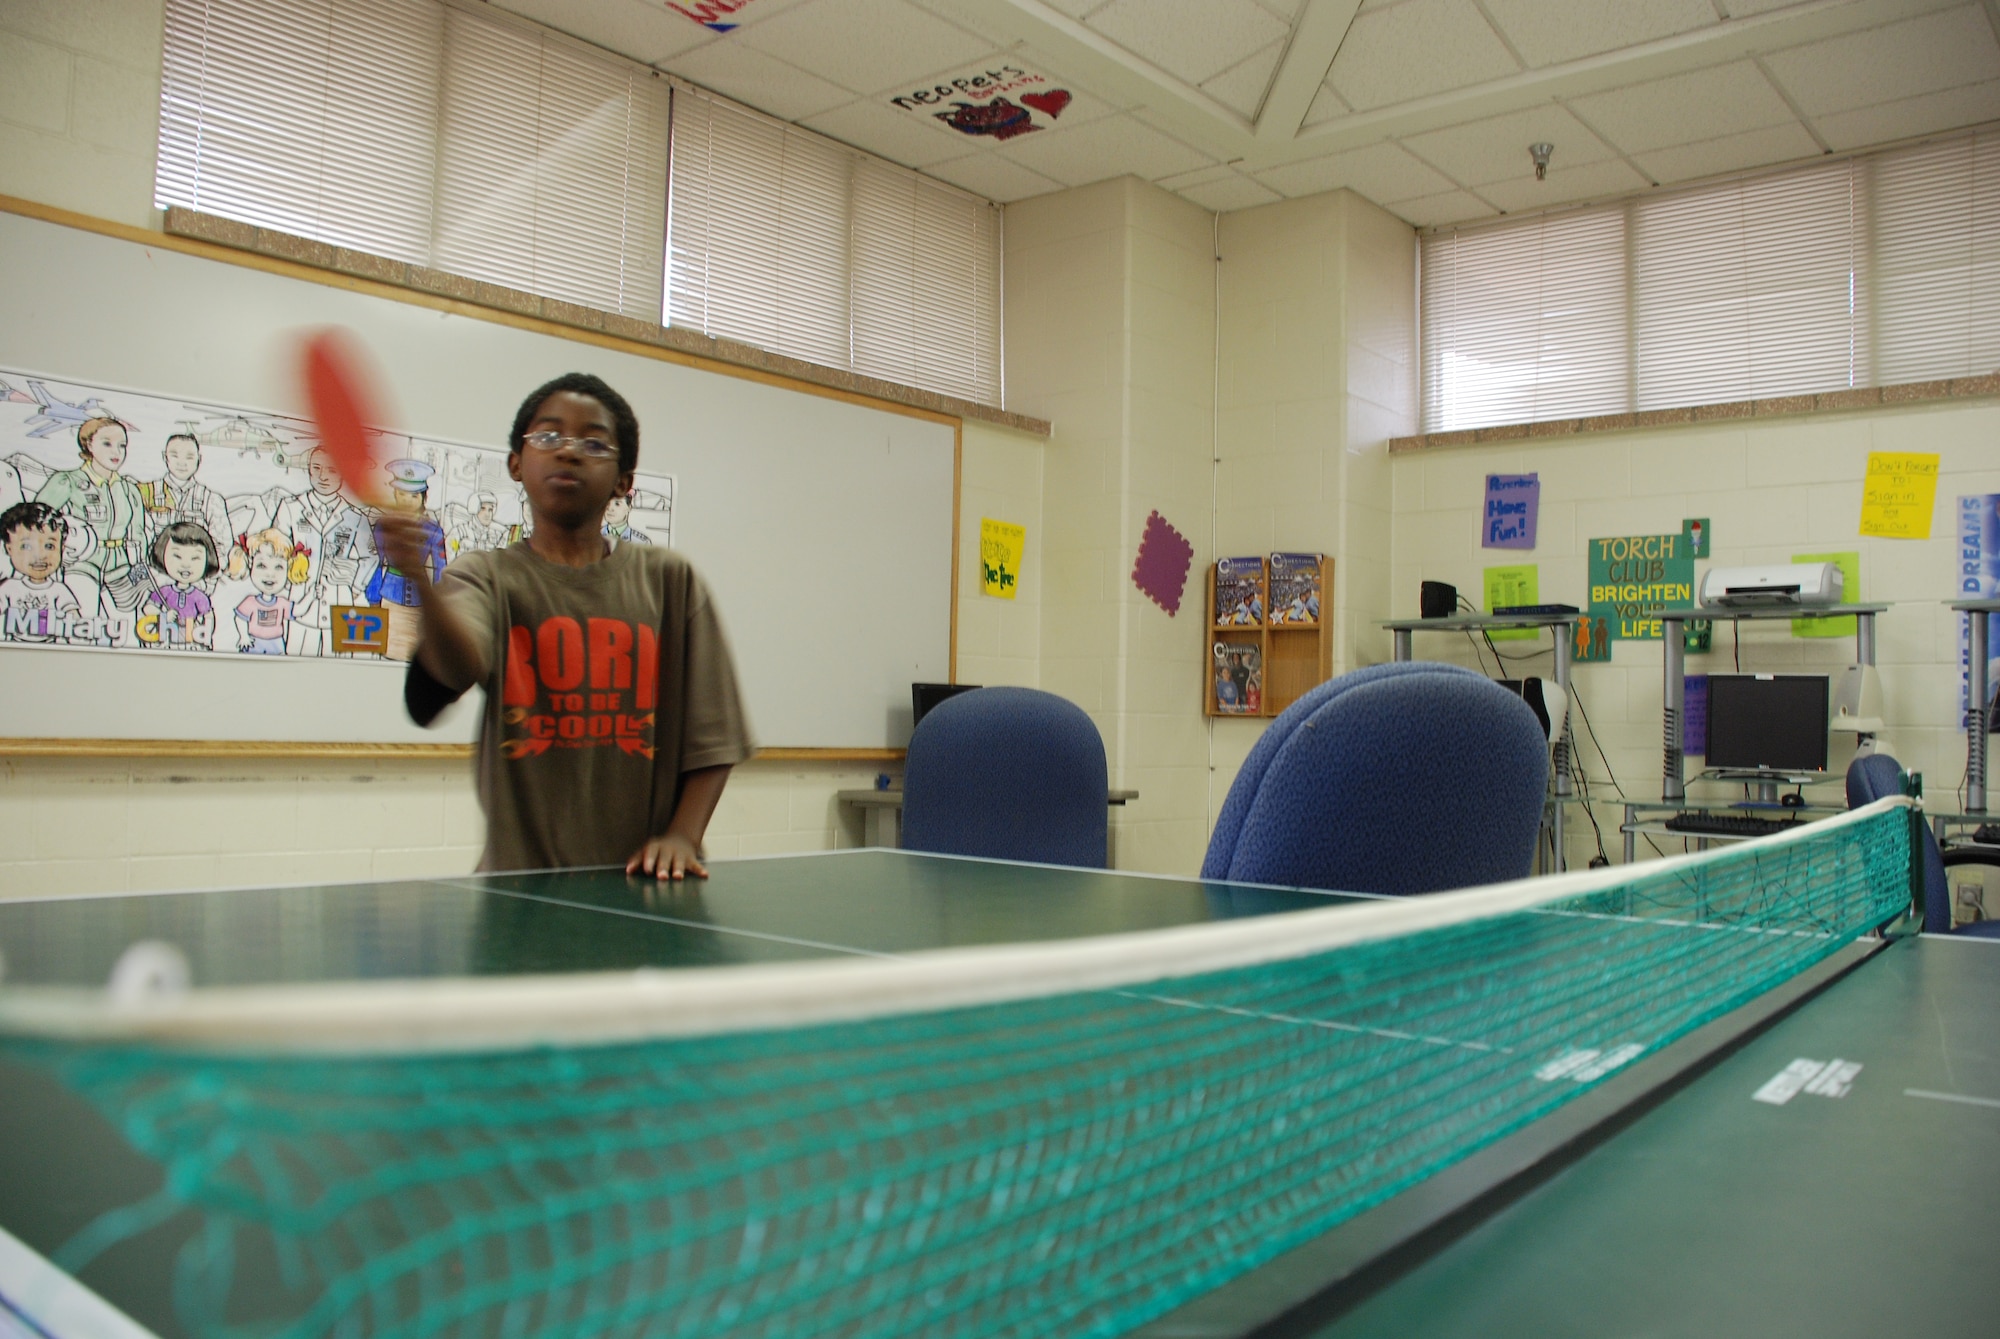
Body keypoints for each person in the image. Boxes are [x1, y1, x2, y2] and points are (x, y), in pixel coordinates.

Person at [378, 372, 753, 878]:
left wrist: (684, 835)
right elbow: (456, 664)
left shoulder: (671, 581)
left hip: (644, 886)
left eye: (594, 443)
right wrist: (419, 580)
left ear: (624, 480)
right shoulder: (485, 576)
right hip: (519, 887)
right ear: (516, 463)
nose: (569, 452)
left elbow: (714, 739)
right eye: (548, 436)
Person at [36, 416, 148, 627]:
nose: (116, 452)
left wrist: (139, 563)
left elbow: (138, 533)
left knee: (126, 631)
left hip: (121, 566)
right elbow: (36, 523)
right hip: (83, 562)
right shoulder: (68, 481)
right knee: (83, 627)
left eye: (122, 445)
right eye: (107, 443)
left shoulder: (129, 490)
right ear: (89, 444)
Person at [271, 445, 370, 656]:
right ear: (308, 470)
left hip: (339, 604)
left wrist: (353, 583)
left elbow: (370, 557)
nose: (323, 476)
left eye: (332, 470)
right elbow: (276, 549)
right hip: (300, 602)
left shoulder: (355, 517)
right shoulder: (291, 507)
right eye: (316, 468)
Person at [0, 501, 84, 644]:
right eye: (26, 546)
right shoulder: (8, 588)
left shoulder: (60, 590)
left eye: (49, 546)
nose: (39, 555)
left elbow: (77, 625)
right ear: (9, 549)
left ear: (61, 548)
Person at [139, 432, 232, 557]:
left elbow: (222, 545)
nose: (182, 463)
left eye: (189, 457)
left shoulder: (211, 499)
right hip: (156, 569)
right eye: (175, 455)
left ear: (199, 459)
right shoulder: (146, 492)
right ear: (164, 456)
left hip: (197, 571)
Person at [144, 521, 220, 650]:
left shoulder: (199, 597)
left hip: (190, 641)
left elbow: (208, 616)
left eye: (195, 558)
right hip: (166, 639)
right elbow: (148, 608)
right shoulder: (165, 591)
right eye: (177, 556)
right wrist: (163, 616)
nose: (185, 565)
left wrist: (205, 634)